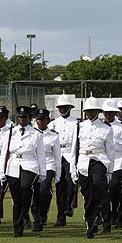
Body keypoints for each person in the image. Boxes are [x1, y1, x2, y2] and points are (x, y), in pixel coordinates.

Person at [70, 94, 115, 239]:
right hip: (83, 161)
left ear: (98, 111)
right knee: (87, 195)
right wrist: (73, 169)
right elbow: (74, 149)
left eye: (92, 110)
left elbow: (111, 151)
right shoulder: (79, 127)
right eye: (87, 111)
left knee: (99, 186)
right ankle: (90, 224)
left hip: (99, 160)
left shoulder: (106, 128)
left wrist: (110, 171)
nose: (89, 113)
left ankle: (97, 215)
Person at [0, 105, 46, 237]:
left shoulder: (36, 134)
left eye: (24, 117)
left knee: (25, 188)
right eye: (20, 117)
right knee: (16, 198)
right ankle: (18, 228)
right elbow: (4, 153)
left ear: (29, 118)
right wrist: (1, 171)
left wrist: (43, 172)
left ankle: (24, 214)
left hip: (29, 164)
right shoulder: (10, 133)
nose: (22, 119)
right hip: (13, 165)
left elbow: (40, 154)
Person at [48, 92, 79, 226]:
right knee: (60, 186)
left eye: (65, 107)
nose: (62, 109)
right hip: (58, 155)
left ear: (70, 107)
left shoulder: (77, 123)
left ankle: (69, 205)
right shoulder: (53, 124)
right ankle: (61, 216)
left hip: (71, 154)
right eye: (60, 107)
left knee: (71, 183)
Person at [101, 98, 122, 232]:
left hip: (118, 162)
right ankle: (105, 218)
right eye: (106, 112)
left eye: (111, 112)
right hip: (104, 162)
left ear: (115, 113)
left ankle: (119, 217)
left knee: (115, 190)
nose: (108, 115)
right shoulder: (100, 127)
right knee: (103, 192)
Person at [33, 109, 61, 230]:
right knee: (34, 192)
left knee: (44, 190)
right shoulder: (32, 133)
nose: (41, 121)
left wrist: (58, 174)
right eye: (39, 119)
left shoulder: (54, 135)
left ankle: (42, 215)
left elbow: (57, 156)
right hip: (34, 165)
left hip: (48, 164)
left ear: (47, 120)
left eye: (43, 119)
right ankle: (36, 216)